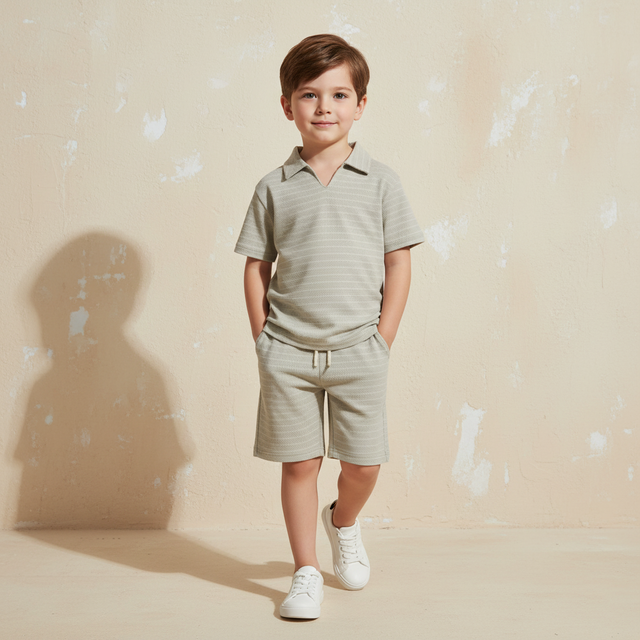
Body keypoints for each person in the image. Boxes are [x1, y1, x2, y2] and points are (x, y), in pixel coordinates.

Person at [234, 33, 424, 620]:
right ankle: (306, 572)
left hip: (359, 348)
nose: (324, 107)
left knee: (363, 465)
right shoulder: (273, 187)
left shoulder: (382, 181)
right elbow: (256, 266)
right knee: (299, 464)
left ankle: (342, 521)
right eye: (309, 94)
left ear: (360, 105)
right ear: (287, 105)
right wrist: (263, 339)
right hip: (288, 351)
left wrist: (382, 338)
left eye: (339, 94)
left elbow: (398, 262)